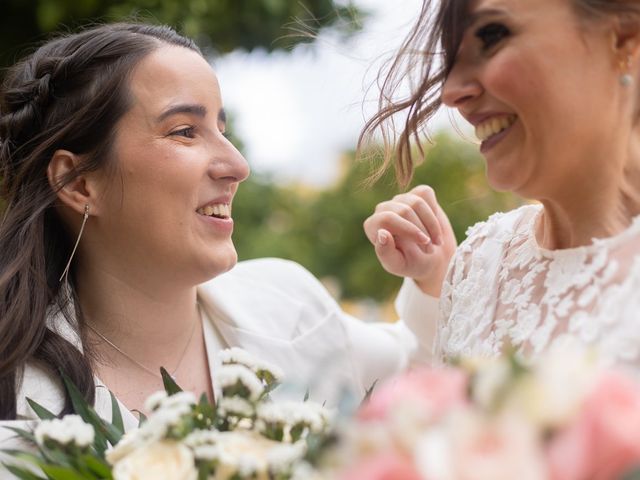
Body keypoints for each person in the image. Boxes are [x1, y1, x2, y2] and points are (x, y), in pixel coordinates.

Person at [0, 22, 424, 444]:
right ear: (77, 183)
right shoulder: (19, 417)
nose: (238, 166)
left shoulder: (292, 308)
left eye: (223, 131)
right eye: (185, 131)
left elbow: (428, 378)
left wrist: (431, 278)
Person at [362, 0, 640, 368]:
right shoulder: (479, 263)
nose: (451, 93)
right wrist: (436, 282)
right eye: (451, 61)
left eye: (492, 36)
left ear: (623, 40)